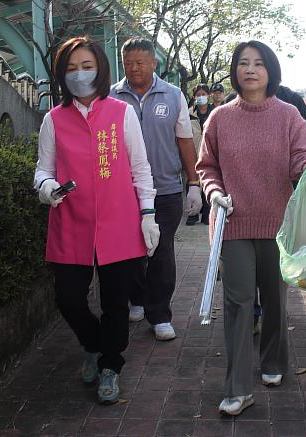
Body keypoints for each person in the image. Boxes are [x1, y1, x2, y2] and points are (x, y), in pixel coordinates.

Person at [34, 36, 159, 404]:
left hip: (119, 223)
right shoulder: (53, 119)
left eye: (86, 66)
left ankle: (110, 366)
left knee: (116, 304)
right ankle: (93, 344)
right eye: (71, 68)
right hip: (71, 221)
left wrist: (148, 214)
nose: (79, 74)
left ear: (101, 69)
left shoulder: (121, 113)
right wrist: (48, 188)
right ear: (61, 74)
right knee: (68, 299)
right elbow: (42, 170)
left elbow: (140, 169)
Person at [196, 40, 306, 416]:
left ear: (270, 71)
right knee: (238, 303)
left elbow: (302, 158)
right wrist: (214, 192)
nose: (250, 69)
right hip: (231, 222)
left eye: (258, 63)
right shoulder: (219, 117)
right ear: (234, 71)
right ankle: (236, 388)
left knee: (276, 300)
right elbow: (206, 167)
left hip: (276, 224)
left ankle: (274, 362)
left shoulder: (288, 115)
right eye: (243, 63)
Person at [110, 38, 202, 341]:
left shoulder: (173, 95)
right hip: (125, 192)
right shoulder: (111, 97)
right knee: (132, 251)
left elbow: (185, 141)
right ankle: (137, 298)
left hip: (165, 189)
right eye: (128, 63)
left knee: (162, 250)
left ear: (153, 63)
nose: (134, 68)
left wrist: (193, 183)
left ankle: (160, 313)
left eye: (140, 62)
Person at [186, 84, 213, 225]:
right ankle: (192, 214)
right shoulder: (188, 114)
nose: (201, 97)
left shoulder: (216, 112)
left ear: (209, 96)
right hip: (193, 154)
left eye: (204, 94)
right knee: (192, 182)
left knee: (208, 184)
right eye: (198, 94)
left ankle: (207, 214)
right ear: (194, 97)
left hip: (211, 155)